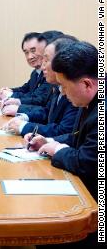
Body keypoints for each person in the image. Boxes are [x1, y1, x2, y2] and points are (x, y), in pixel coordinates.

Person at [25, 41, 99, 247]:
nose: (63, 94)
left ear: (86, 84)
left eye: (64, 87)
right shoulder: (89, 101)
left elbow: (86, 162)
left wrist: (57, 150)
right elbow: (77, 137)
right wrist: (49, 141)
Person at [1, 36, 78, 137]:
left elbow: (64, 131)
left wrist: (24, 126)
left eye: (46, 60)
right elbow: (47, 112)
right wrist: (24, 117)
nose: (42, 67)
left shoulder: (75, 92)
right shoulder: (57, 87)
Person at [0, 31, 62, 116]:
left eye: (33, 50)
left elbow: (39, 99)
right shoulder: (35, 73)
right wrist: (10, 91)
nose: (30, 56)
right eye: (26, 52)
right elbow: (26, 89)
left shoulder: (52, 76)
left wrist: (15, 101)